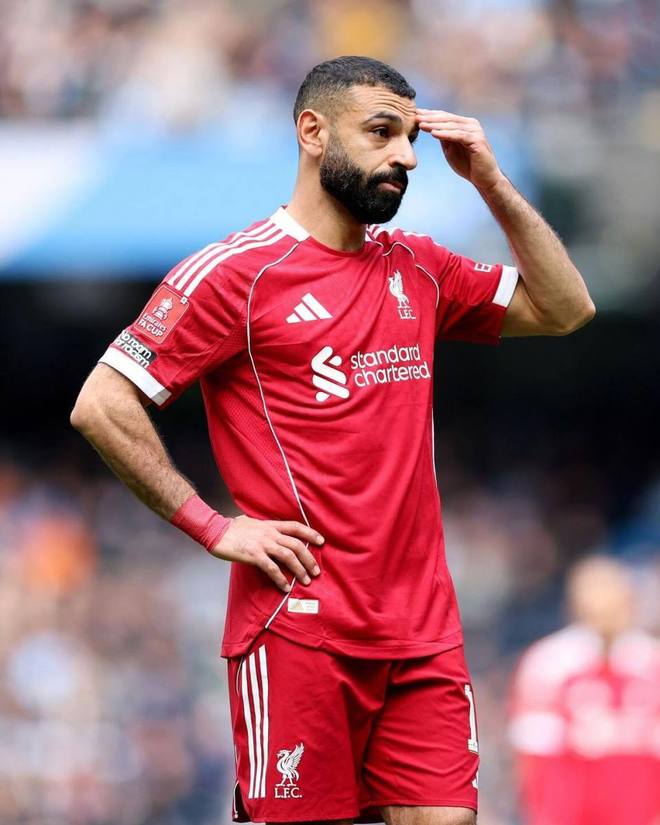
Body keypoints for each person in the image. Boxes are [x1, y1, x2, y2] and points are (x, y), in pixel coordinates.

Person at [71, 56, 595, 825]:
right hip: (299, 627)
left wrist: (488, 180)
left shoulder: (419, 266)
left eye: (411, 137)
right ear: (313, 132)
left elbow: (565, 307)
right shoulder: (236, 274)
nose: (405, 156)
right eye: (381, 132)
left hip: (422, 630)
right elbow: (102, 402)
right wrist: (213, 526)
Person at [509, 556, 660, 825]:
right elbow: (535, 754)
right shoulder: (549, 663)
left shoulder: (651, 662)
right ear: (576, 605)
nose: (604, 609)